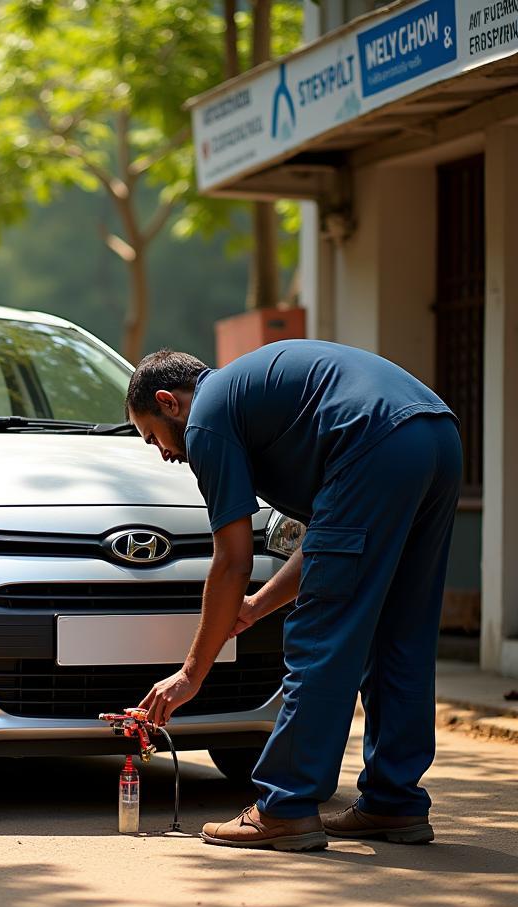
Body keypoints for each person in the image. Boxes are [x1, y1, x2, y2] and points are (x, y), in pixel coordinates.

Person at [125, 341, 461, 851]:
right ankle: (393, 803)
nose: (164, 452)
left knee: (321, 635)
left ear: (170, 402)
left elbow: (233, 561)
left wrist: (190, 675)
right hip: (436, 436)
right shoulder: (254, 400)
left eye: (151, 436)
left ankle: (285, 806)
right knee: (400, 633)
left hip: (376, 442)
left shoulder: (207, 420)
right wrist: (257, 607)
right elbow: (329, 540)